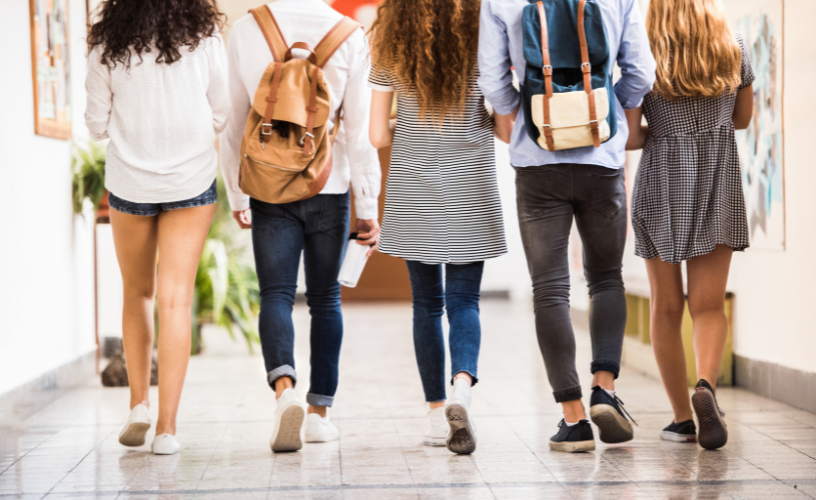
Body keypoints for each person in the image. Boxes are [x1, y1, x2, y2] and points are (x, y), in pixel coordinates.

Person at [478, 0, 656, 452]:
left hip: (538, 162)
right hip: (602, 157)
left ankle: (573, 418)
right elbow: (641, 72)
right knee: (605, 278)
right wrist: (606, 109)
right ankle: (605, 388)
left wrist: (531, 115)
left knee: (550, 289)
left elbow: (494, 83)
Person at [220, 0, 381, 452]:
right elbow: (359, 134)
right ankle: (317, 415)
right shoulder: (348, 35)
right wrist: (367, 204)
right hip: (329, 187)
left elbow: (235, 123)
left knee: (275, 294)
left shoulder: (248, 28)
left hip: (268, 186)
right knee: (326, 300)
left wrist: (237, 192)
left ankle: (283, 391)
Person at [85, 0, 229, 455]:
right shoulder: (204, 39)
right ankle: (167, 430)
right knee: (175, 299)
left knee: (137, 293)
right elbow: (221, 113)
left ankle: (138, 406)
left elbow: (94, 124)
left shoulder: (107, 43)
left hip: (130, 182)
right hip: (191, 178)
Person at [368, 0, 508, 455]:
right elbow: (505, 125)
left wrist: (405, 119)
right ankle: (462, 387)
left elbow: (377, 135)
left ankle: (435, 413)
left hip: (414, 184)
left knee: (426, 304)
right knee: (465, 300)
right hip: (470, 180)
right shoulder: (482, 35)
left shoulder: (392, 42)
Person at [626, 0, 754, 450]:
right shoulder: (733, 46)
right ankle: (706, 387)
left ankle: (682, 418)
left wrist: (662, 130)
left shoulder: (642, 51)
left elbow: (630, 135)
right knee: (708, 305)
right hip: (717, 180)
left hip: (660, 181)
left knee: (665, 306)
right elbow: (741, 119)